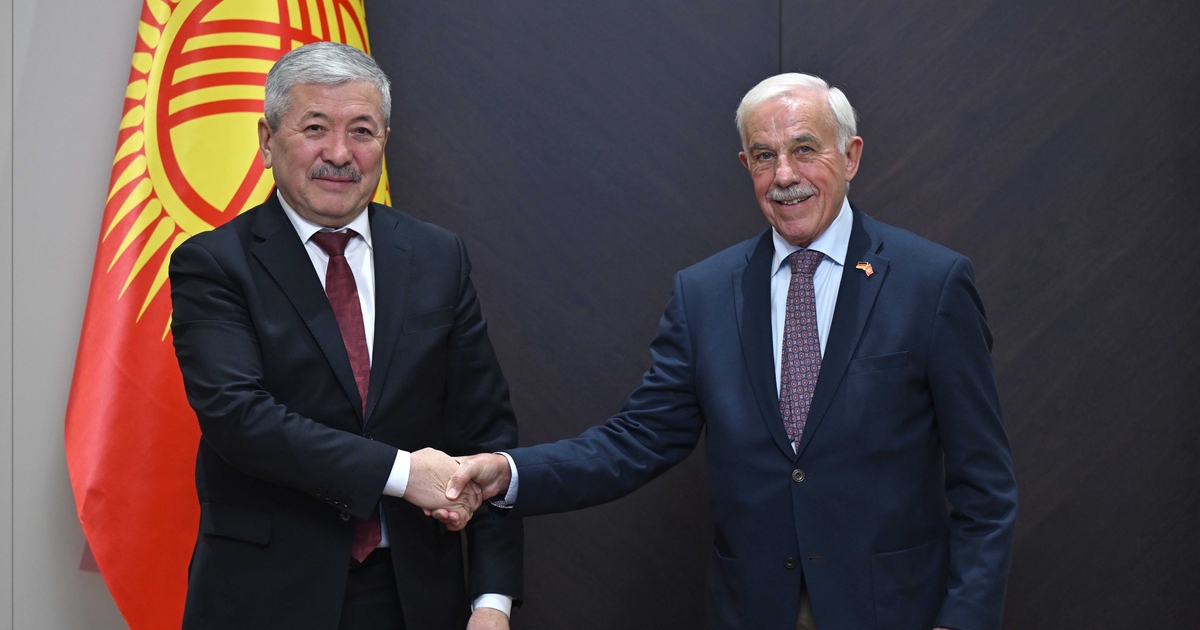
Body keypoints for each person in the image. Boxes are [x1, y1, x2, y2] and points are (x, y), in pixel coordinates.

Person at [444, 73, 1018, 630]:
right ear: (747, 165)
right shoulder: (705, 293)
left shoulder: (930, 283)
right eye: (765, 156)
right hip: (752, 609)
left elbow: (985, 486)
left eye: (805, 149)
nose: (785, 175)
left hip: (893, 610)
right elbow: (638, 439)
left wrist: (962, 622)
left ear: (851, 156)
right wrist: (509, 472)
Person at [169, 42, 517, 630]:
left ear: (384, 141)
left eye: (361, 131)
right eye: (314, 128)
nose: (339, 153)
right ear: (266, 141)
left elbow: (487, 435)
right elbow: (239, 418)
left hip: (414, 597)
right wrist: (404, 474)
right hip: (265, 598)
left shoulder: (438, 256)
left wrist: (492, 600)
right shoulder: (214, 263)